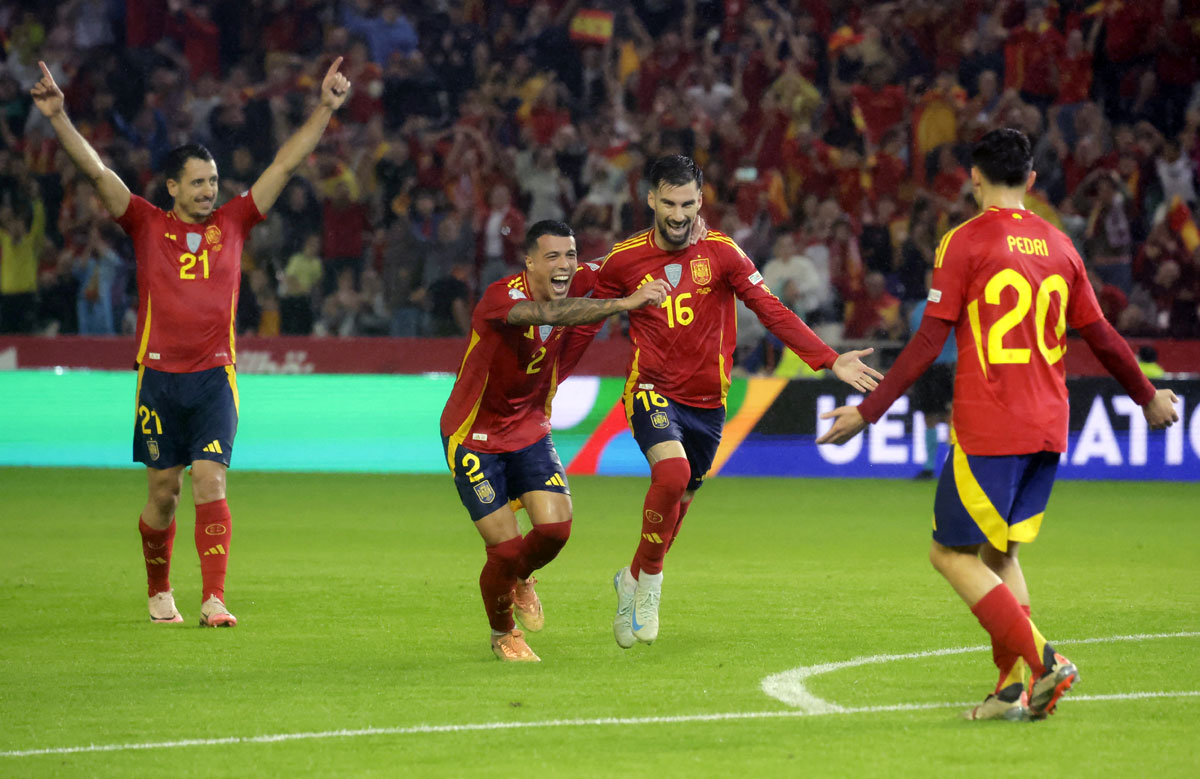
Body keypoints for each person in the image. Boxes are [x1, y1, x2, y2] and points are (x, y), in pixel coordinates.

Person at [818, 129, 1180, 721]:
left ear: (974, 178)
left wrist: (867, 409)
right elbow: (1104, 338)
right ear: (1032, 181)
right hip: (1048, 427)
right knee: (1000, 552)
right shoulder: (1062, 247)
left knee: (948, 553)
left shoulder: (963, 242)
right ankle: (1012, 688)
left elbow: (929, 340)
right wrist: (1146, 396)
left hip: (992, 425)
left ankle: (1045, 661)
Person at [30, 58, 353, 627]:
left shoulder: (234, 222)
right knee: (164, 494)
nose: (209, 191)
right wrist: (58, 117)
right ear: (173, 186)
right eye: (198, 182)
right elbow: (97, 171)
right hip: (157, 377)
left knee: (210, 478)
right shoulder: (145, 223)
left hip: (214, 375)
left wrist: (324, 107)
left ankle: (213, 598)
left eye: (213, 182)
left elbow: (285, 162)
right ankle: (159, 589)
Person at [572, 155, 883, 649]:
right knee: (670, 477)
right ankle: (650, 585)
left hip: (708, 402)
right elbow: (582, 307)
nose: (678, 214)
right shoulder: (624, 260)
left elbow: (771, 309)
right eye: (669, 203)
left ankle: (631, 577)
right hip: (652, 389)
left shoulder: (721, 252)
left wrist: (828, 359)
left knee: (682, 500)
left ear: (701, 200)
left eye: (688, 203)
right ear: (651, 198)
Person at [440, 220, 671, 662]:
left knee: (555, 530)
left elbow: (627, 256)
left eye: (570, 255)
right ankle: (502, 633)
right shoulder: (500, 297)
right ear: (529, 263)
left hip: (529, 427)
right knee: (505, 550)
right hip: (474, 436)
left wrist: (677, 227)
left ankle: (522, 578)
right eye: (552, 257)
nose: (565, 266)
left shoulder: (576, 277)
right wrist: (624, 303)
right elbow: (547, 315)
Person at [908, 268, 956, 480]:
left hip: (948, 366)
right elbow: (914, 341)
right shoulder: (918, 309)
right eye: (929, 280)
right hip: (927, 368)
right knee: (929, 416)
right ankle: (929, 467)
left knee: (950, 417)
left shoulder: (954, 305)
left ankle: (955, 465)